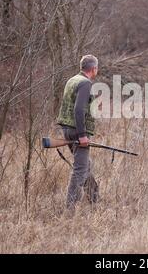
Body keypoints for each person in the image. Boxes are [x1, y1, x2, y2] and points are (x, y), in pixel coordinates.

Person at [57, 54, 99, 216]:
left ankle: (95, 198)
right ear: (94, 69)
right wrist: (82, 135)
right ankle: (69, 210)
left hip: (67, 129)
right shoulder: (85, 83)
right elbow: (78, 110)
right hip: (77, 131)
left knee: (86, 165)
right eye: (97, 68)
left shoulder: (72, 80)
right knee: (80, 169)